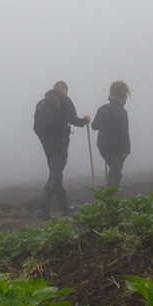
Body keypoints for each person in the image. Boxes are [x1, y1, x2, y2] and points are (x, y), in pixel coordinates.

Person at [34, 81, 90, 218]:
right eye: (67, 89)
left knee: (56, 174)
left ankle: (65, 207)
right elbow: (74, 120)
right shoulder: (64, 100)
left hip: (47, 145)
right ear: (64, 89)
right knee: (55, 175)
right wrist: (85, 120)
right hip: (60, 144)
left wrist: (44, 140)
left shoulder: (41, 103)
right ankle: (43, 209)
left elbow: (35, 127)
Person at [91, 81, 131, 188]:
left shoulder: (102, 109)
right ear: (123, 97)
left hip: (103, 146)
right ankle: (110, 197)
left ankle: (108, 195)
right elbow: (124, 131)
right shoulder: (122, 112)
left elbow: (94, 126)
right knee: (116, 172)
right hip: (117, 147)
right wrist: (126, 150)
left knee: (114, 170)